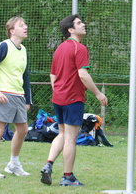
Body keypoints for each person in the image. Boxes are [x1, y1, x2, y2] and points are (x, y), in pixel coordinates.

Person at [40, 14, 108, 187]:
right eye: (79, 23)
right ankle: (68, 177)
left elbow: (52, 74)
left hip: (59, 98)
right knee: (71, 138)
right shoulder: (80, 48)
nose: (83, 24)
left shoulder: (60, 48)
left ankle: (48, 164)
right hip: (72, 99)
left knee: (62, 133)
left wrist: (58, 91)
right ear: (71, 30)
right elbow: (83, 74)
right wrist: (99, 94)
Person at [0, 16, 32, 179]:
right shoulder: (3, 46)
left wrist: (27, 100)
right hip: (4, 95)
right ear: (12, 30)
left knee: (23, 130)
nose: (25, 27)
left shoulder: (24, 50)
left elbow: (25, 77)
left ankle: (13, 164)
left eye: (25, 24)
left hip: (19, 96)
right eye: (21, 25)